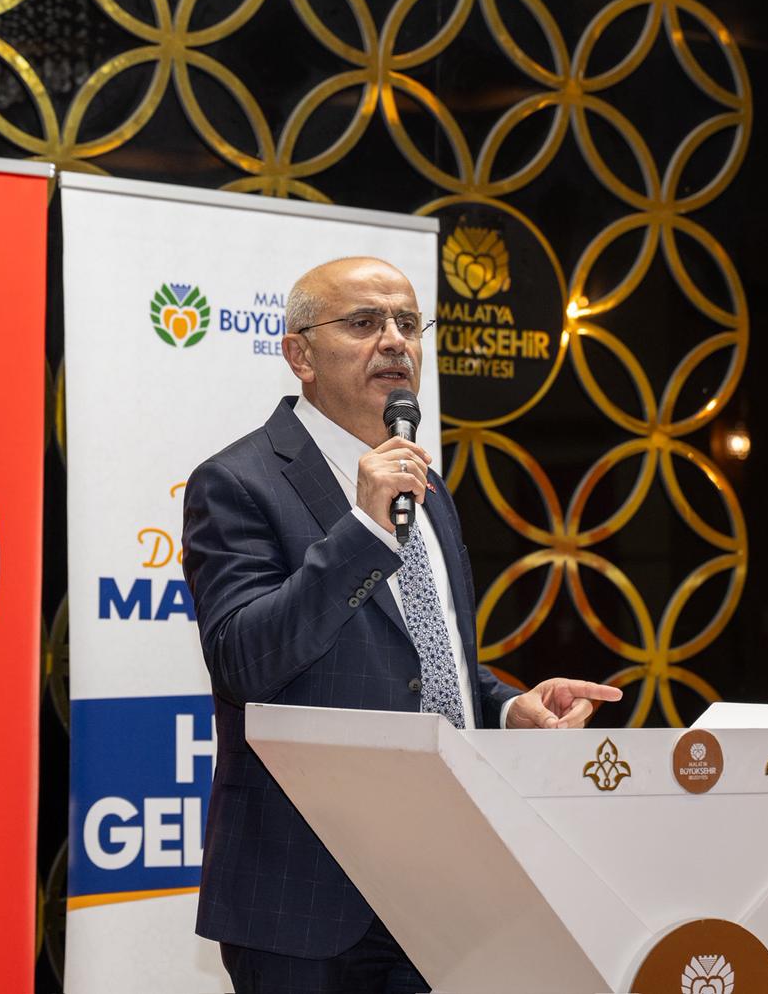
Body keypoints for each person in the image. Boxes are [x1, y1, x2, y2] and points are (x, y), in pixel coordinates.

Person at [182, 255, 622, 994]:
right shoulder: (237, 482)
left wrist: (506, 707)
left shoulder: (429, 488)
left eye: (409, 324)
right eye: (364, 323)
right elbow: (244, 662)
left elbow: (428, 656)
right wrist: (363, 529)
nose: (394, 341)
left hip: (442, 881)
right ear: (299, 355)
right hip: (306, 894)